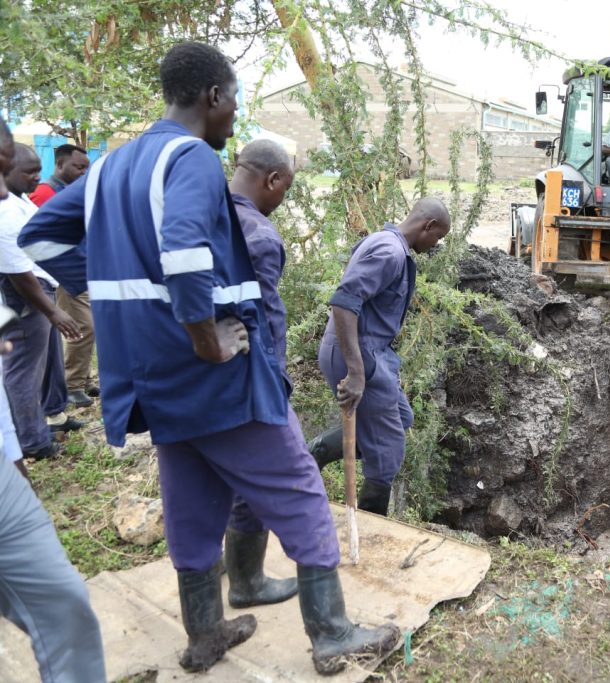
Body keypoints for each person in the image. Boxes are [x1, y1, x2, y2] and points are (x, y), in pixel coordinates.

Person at [19, 42, 399, 675]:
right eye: (235, 103)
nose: (234, 120)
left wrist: (124, 290)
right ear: (212, 97)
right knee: (301, 489)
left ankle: (205, 634)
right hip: (213, 372)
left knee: (192, 494)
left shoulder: (113, 166)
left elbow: (41, 237)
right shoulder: (190, 156)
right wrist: (204, 337)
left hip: (147, 375)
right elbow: (186, 251)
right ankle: (333, 635)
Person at [0, 115, 106, 683]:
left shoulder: (19, 203)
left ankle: (44, 428)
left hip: (4, 486)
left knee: (65, 606)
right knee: (32, 369)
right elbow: (18, 266)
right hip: (36, 295)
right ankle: (42, 431)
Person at [316, 198, 451, 516]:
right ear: (427, 226)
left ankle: (316, 451)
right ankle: (371, 522)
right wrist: (357, 372)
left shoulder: (384, 241)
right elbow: (344, 302)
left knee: (401, 419)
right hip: (358, 352)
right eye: (438, 237)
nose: (435, 245)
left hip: (373, 351)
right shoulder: (390, 252)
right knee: (388, 448)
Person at [222, 138, 297, 609]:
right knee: (283, 479)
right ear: (271, 180)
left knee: (214, 478)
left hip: (200, 377)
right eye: (284, 190)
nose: (282, 200)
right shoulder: (260, 235)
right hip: (249, 381)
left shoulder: (197, 217)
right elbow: (266, 323)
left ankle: (221, 585)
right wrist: (278, 386)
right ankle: (248, 584)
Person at [0, 143, 82, 460]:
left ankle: (53, 414)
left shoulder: (17, 201)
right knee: (23, 370)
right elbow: (18, 273)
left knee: (47, 362)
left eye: (38, 170)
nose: (37, 177)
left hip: (41, 289)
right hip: (25, 296)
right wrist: (53, 311)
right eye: (30, 171)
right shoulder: (5, 211)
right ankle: (31, 440)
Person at [30, 144, 97, 409]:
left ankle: (83, 379)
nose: (83, 173)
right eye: (78, 167)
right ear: (59, 165)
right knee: (83, 327)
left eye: (86, 168)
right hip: (60, 274)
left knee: (90, 326)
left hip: (80, 269)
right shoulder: (43, 194)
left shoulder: (67, 192)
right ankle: (73, 385)